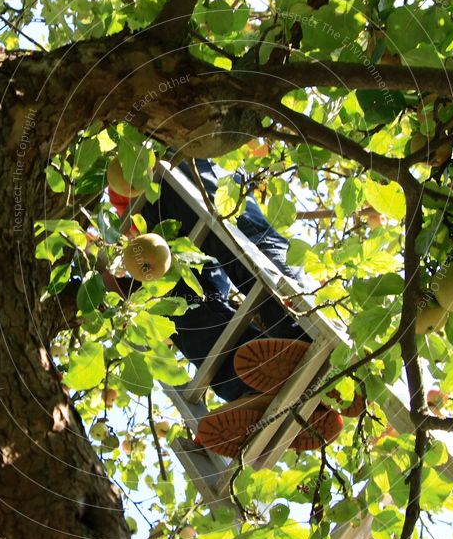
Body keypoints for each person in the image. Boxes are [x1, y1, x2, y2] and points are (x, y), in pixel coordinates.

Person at [108, 157, 357, 456]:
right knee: (183, 313)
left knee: (238, 240)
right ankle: (256, 389)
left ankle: (309, 338)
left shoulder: (146, 142)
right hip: (153, 237)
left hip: (178, 169)